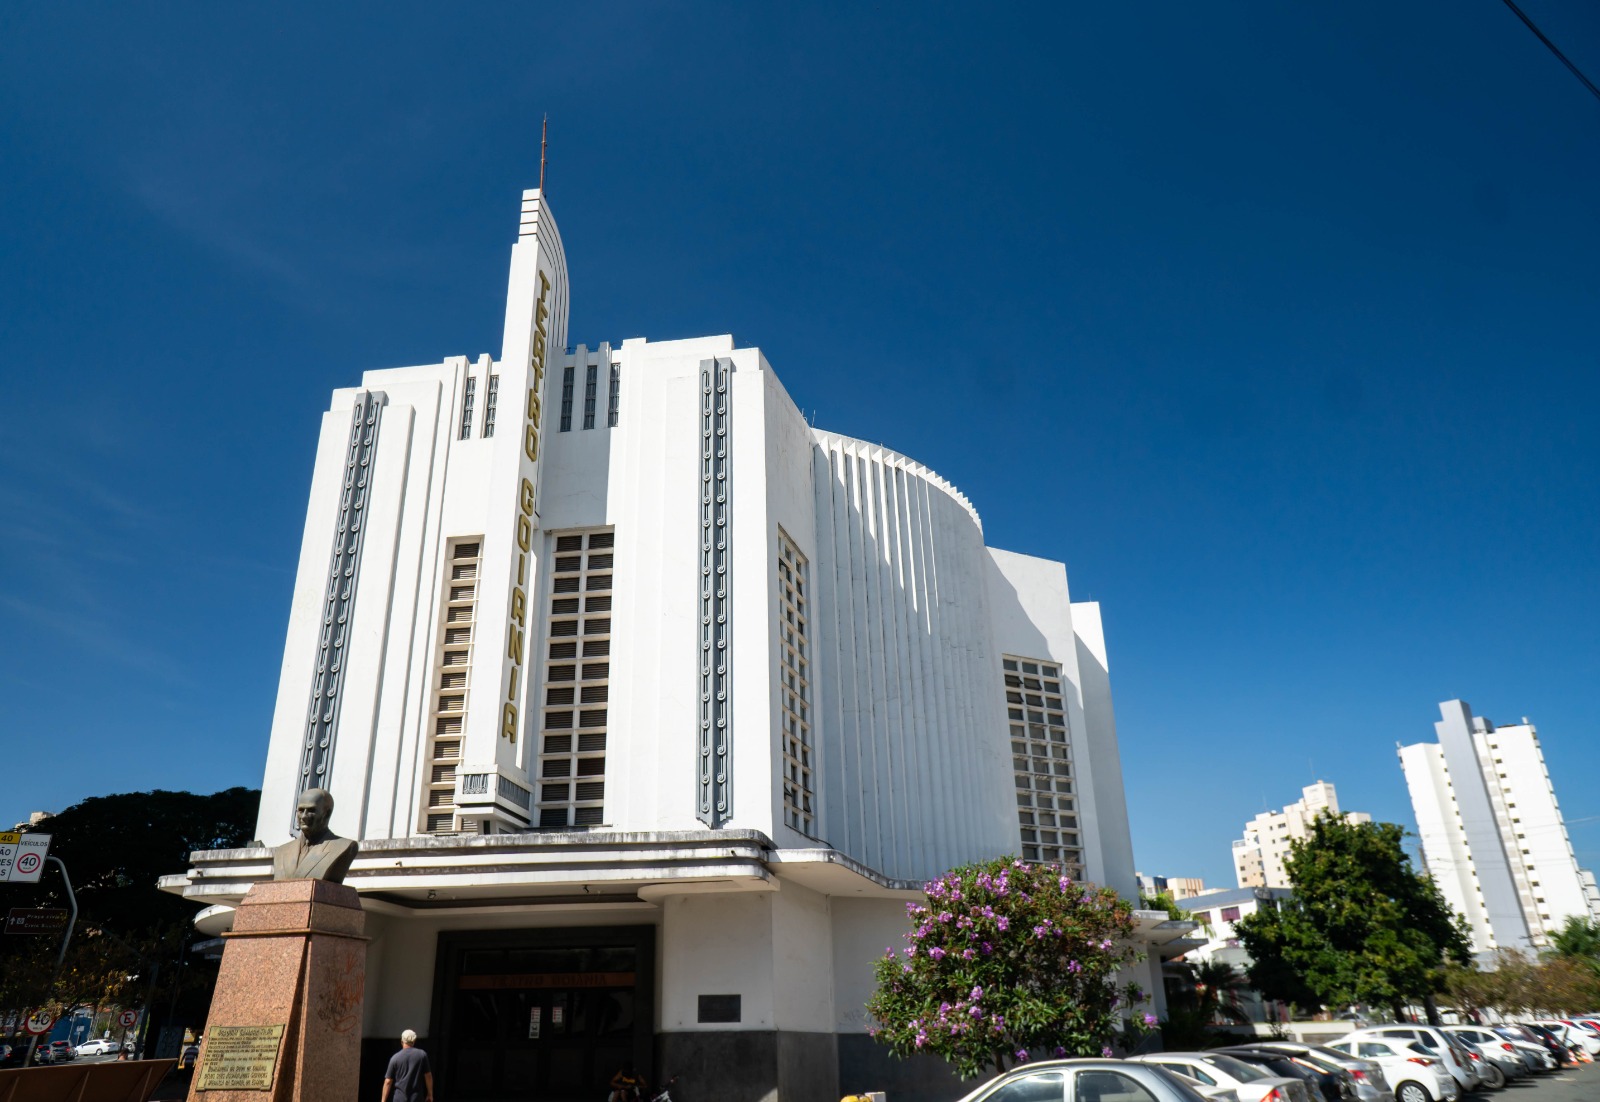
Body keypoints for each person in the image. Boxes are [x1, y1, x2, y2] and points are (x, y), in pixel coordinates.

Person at [272, 788, 360, 882]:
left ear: (326, 814)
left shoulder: (343, 846)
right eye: (301, 810)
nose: (304, 816)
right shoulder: (281, 852)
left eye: (311, 810)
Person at [381, 1031, 433, 1102]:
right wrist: (430, 1094)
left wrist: (383, 1100)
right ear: (414, 1041)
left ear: (402, 1041)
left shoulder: (395, 1058)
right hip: (416, 1098)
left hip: (399, 1099)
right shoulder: (422, 1055)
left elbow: (388, 1081)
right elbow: (428, 1076)